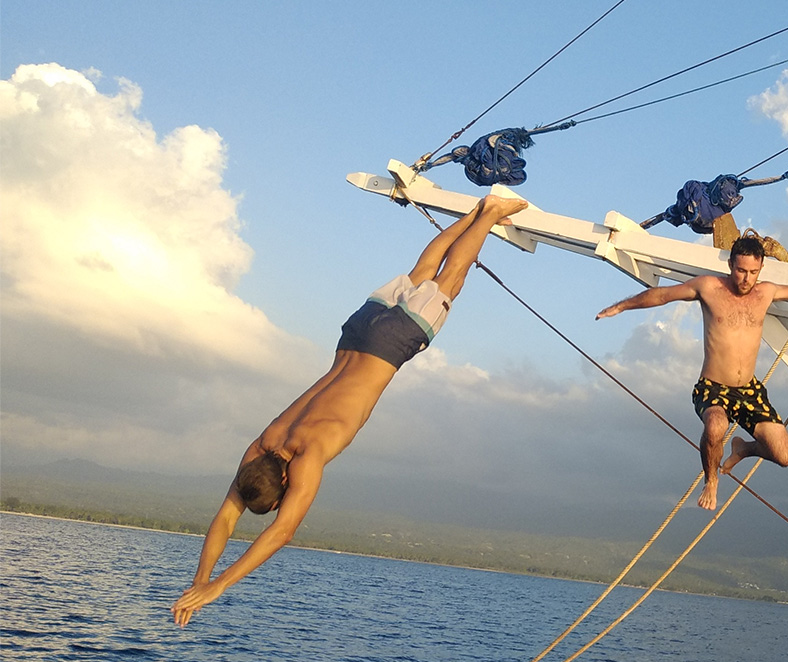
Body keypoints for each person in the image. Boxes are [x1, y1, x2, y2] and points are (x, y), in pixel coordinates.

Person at [172, 195, 531, 626]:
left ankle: (489, 214)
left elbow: (282, 532)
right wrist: (199, 580)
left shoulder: (307, 456)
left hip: (392, 344)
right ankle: (477, 213)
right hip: (356, 333)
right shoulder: (261, 446)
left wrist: (220, 585)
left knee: (451, 279)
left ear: (284, 482)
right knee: (421, 271)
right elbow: (225, 518)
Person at [594, 236, 788, 510]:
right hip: (714, 388)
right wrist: (621, 306)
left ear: (761, 268)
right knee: (716, 426)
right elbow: (662, 295)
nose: (746, 278)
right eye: (741, 270)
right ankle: (711, 480)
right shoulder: (709, 287)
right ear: (731, 265)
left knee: (785, 456)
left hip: (749, 391)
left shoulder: (765, 292)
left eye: (753, 272)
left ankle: (744, 449)